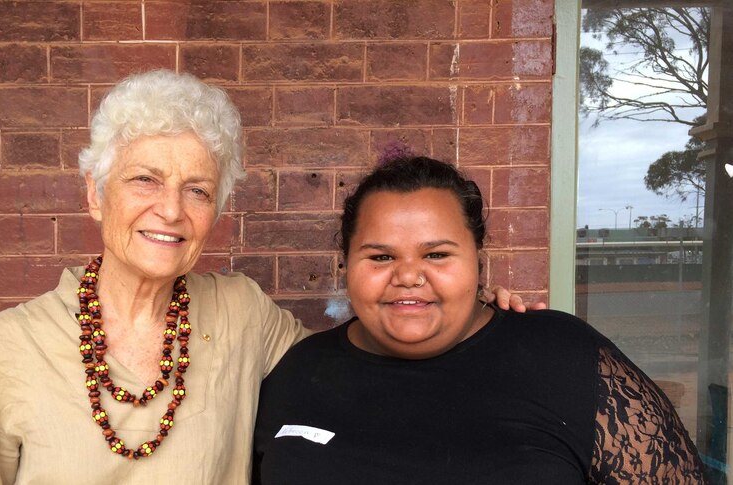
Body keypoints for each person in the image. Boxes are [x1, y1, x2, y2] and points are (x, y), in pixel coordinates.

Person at [0, 71, 531, 484]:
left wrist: (473, 321)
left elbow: (366, 363)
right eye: (144, 180)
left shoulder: (240, 313)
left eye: (197, 190)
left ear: (216, 212)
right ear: (94, 195)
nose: (172, 210)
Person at [253, 156, 706, 484]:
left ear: (478, 262)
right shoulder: (298, 370)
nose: (409, 276)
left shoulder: (562, 357)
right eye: (381, 256)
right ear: (346, 264)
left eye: (437, 254)